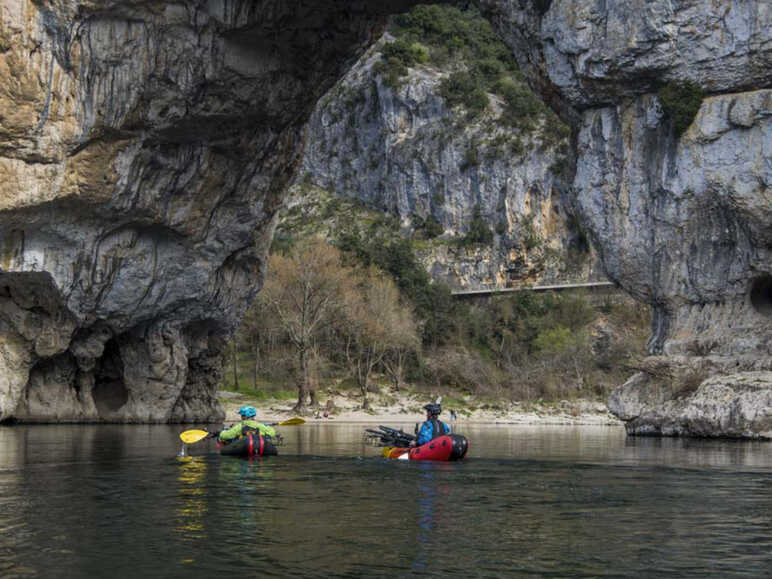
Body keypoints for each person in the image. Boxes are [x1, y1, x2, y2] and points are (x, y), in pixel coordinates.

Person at [212, 406, 276, 443]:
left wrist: (220, 433)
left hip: (243, 447)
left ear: (244, 416)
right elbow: (272, 432)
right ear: (253, 416)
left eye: (242, 415)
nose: (241, 417)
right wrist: (266, 427)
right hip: (258, 446)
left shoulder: (239, 427)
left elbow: (226, 435)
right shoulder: (261, 425)